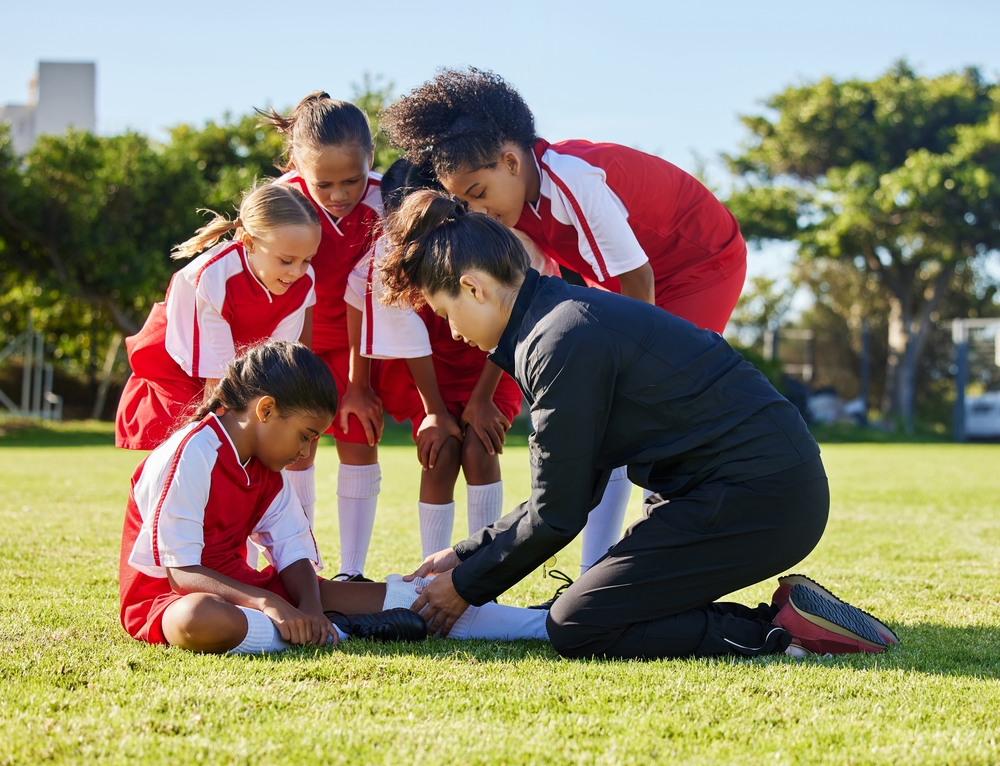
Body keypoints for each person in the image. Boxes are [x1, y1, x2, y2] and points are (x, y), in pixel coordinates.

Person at [377, 190, 899, 660]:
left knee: (577, 624)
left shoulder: (558, 338)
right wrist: (464, 554)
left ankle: (783, 633)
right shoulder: (556, 319)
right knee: (594, 603)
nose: (453, 331)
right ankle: (793, 616)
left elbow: (557, 512)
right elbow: (569, 491)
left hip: (761, 494)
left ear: (473, 288)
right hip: (730, 488)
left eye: (444, 313)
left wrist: (464, 586)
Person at [382, 68, 749, 573]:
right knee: (605, 416)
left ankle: (659, 551)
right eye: (463, 202)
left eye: (478, 192)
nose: (476, 211)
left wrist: (632, 371)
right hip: (632, 278)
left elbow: (637, 278)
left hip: (698, 263)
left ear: (512, 162)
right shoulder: (516, 210)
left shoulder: (572, 178)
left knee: (649, 404)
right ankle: (594, 569)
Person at [119, 340, 550, 654]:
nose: (306, 451)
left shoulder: (267, 467)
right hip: (172, 599)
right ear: (265, 410)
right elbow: (181, 574)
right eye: (305, 436)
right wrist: (272, 604)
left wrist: (309, 607)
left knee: (417, 595)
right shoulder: (192, 453)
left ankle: (546, 623)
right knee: (198, 619)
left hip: (248, 593)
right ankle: (345, 631)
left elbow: (292, 552)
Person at [260, 92, 422, 580]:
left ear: (370, 157)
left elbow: (371, 296)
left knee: (357, 434)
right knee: (294, 446)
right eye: (324, 183)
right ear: (297, 164)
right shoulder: (280, 200)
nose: (338, 194)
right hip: (294, 338)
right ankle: (298, 564)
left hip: (363, 341)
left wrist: (358, 384)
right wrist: (291, 370)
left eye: (350, 179)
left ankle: (352, 572)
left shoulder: (385, 201)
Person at [344, 158, 525, 558]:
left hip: (489, 364)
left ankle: (482, 567)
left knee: (480, 446)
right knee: (440, 452)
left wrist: (482, 400)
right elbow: (402, 332)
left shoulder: (487, 238)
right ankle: (432, 570)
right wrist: (435, 413)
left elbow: (511, 317)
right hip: (423, 371)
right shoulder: (388, 257)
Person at [115, 182, 319, 453]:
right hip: (181, 358)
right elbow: (217, 378)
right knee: (189, 438)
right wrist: (219, 448)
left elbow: (273, 361)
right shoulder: (215, 276)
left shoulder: (303, 283)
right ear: (249, 243)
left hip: (236, 356)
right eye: (286, 260)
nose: (297, 271)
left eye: (307, 260)